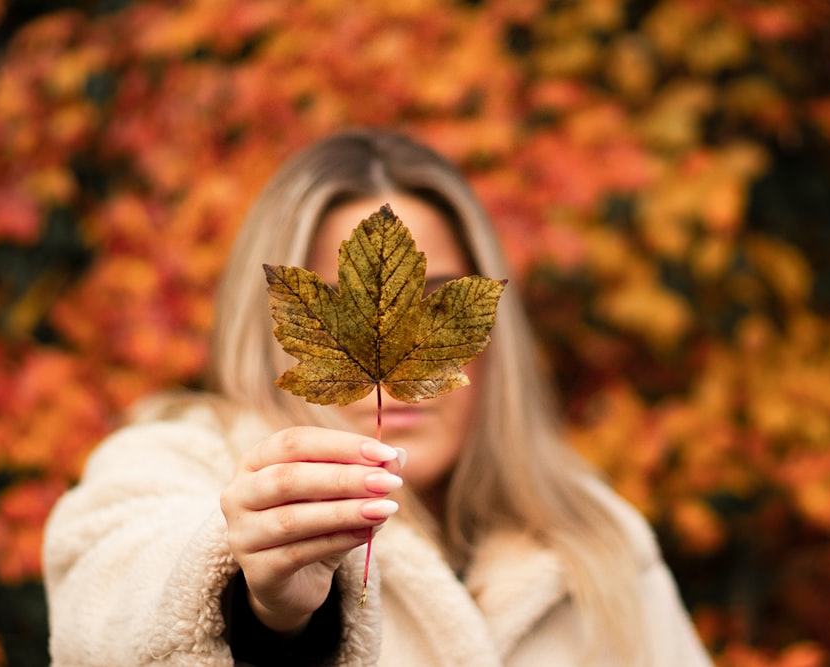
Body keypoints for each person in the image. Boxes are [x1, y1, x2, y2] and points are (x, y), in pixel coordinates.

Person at [42, 128, 712, 666]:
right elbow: (110, 610)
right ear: (271, 323)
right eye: (335, 305)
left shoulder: (595, 534)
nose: (389, 371)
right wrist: (265, 606)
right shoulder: (174, 464)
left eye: (437, 302)